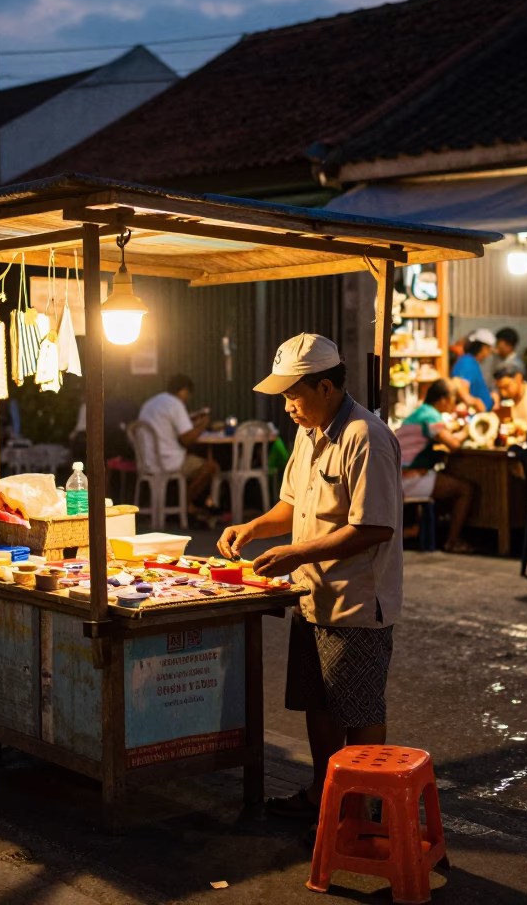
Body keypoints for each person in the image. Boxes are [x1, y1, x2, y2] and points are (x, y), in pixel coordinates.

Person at [216, 333, 402, 825]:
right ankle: (325, 795)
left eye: (293, 394)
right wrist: (254, 528)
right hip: (311, 596)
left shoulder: (366, 437)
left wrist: (295, 551)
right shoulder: (307, 432)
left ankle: (359, 812)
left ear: (325, 387)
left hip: (357, 602)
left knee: (357, 710)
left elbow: (374, 527)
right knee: (317, 705)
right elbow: (293, 503)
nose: (287, 406)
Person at [395, 379, 474, 553]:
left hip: (398, 476)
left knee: (448, 479)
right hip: (407, 479)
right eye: (453, 400)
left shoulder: (420, 412)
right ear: (443, 399)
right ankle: (452, 542)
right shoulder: (430, 415)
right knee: (465, 489)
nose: (454, 405)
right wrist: (467, 431)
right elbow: (453, 444)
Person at [136, 374, 217, 522]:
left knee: (194, 465)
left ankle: (185, 505)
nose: (188, 398)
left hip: (147, 462)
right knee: (210, 467)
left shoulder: (151, 402)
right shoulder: (175, 404)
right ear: (184, 391)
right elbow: (187, 440)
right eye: (188, 394)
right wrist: (204, 423)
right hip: (169, 461)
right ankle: (183, 505)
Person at [450, 338, 494, 413]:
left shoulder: (472, 362)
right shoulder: (467, 362)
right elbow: (463, 392)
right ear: (483, 348)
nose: (489, 354)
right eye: (489, 349)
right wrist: (477, 403)